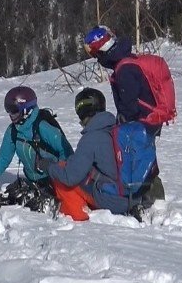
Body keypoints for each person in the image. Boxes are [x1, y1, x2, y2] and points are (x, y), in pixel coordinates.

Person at [83, 25, 169, 200]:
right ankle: (146, 195)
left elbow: (130, 104)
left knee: (139, 160)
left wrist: (123, 122)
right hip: (150, 118)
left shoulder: (124, 69)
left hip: (142, 121)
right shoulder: (126, 60)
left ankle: (144, 197)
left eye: (93, 53)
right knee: (143, 157)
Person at [42, 88, 151, 221]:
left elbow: (70, 177)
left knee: (62, 170)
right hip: (135, 196)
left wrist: (48, 166)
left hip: (112, 201)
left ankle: (78, 217)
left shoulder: (92, 137)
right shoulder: (120, 129)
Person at [0, 86, 73, 211]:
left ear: (26, 110)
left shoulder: (42, 127)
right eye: (8, 111)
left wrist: (59, 174)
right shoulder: (13, 130)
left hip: (54, 181)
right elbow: (3, 158)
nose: (11, 115)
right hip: (32, 181)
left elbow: (66, 152)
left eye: (14, 111)